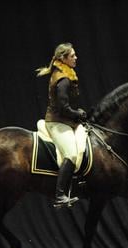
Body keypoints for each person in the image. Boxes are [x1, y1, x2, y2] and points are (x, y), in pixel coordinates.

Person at [36, 43, 87, 208]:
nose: (76, 57)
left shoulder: (66, 73)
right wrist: (78, 114)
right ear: (63, 59)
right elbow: (63, 108)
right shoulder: (62, 79)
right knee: (71, 154)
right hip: (58, 122)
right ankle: (59, 195)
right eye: (72, 55)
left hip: (65, 121)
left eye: (75, 55)